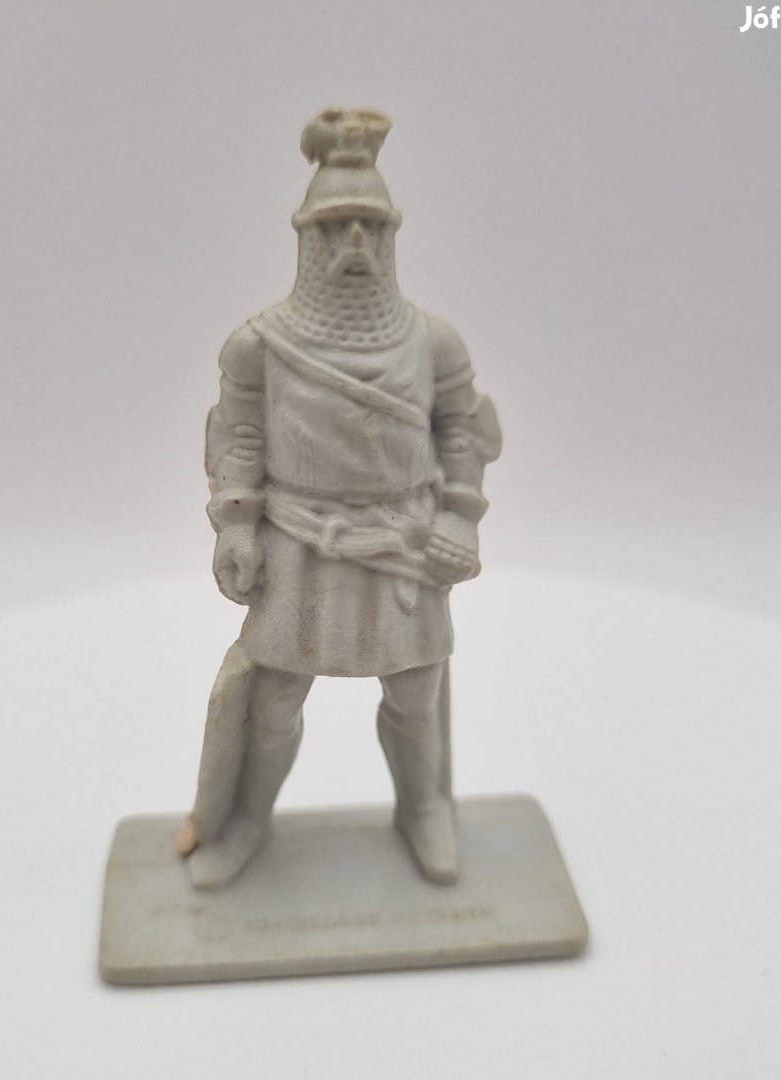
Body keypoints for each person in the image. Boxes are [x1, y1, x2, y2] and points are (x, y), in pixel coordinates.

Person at [178, 108, 501, 889]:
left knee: (416, 692)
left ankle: (423, 809)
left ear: (390, 236)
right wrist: (237, 526)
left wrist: (459, 516)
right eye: (334, 227)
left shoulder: (433, 342)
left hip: (402, 542)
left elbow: (461, 431)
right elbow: (241, 438)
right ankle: (250, 820)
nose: (353, 242)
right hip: (301, 541)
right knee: (274, 699)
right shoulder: (260, 344)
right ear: (307, 238)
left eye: (369, 227)